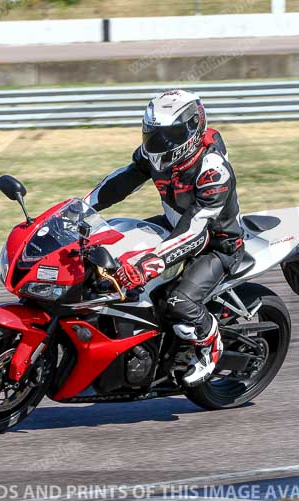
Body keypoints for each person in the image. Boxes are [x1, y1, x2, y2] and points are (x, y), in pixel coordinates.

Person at [84, 90, 244, 386]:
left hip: (216, 243)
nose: (159, 144)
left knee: (177, 302)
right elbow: (123, 180)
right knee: (105, 251)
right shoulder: (156, 154)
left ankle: (210, 344)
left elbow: (195, 230)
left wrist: (152, 261)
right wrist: (82, 207)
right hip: (174, 227)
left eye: (169, 136)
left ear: (193, 129)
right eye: (154, 135)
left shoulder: (213, 172)